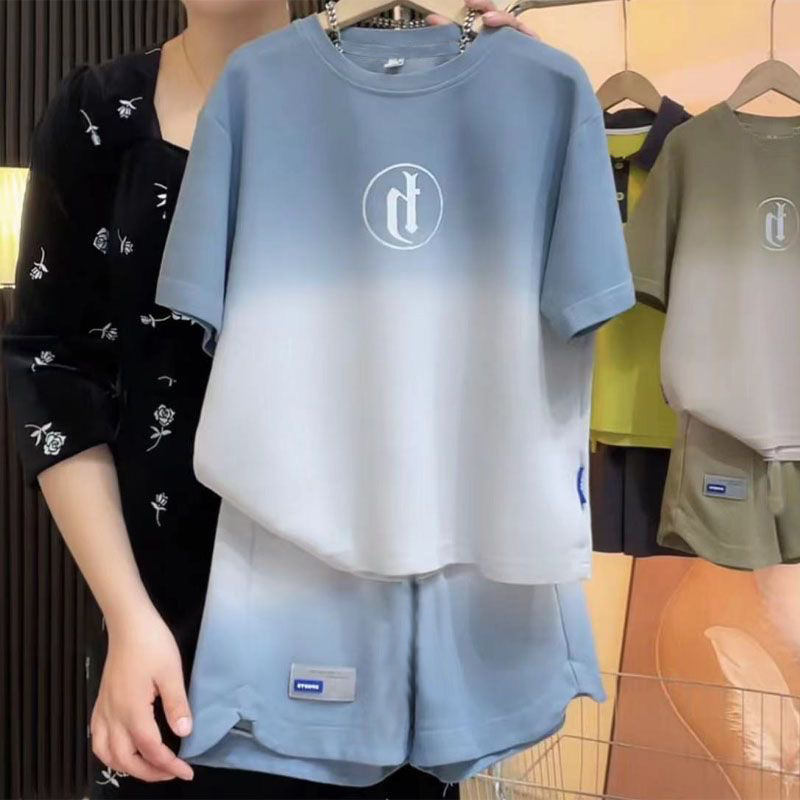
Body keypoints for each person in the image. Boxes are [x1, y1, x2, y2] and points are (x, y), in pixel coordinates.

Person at [2, 1, 537, 797]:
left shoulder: (409, 93)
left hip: (375, 602)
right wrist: (128, 614)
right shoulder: (99, 112)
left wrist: (499, 93)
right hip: (165, 619)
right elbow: (52, 365)